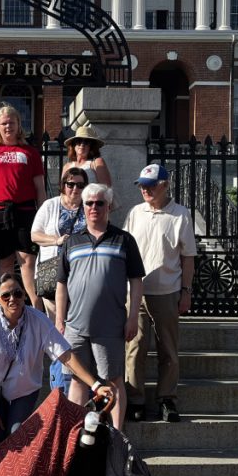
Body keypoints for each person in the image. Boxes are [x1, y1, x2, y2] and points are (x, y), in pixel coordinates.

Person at [0, 273, 115, 451]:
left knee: (17, 438)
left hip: (24, 390)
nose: (12, 299)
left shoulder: (38, 320)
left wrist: (95, 385)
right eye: (6, 295)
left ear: (24, 294)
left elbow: (66, 356)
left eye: (17, 293)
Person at [55, 183, 145, 430]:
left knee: (114, 379)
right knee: (77, 379)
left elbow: (136, 282)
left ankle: (117, 434)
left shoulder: (124, 240)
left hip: (110, 326)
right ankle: (75, 432)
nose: (94, 207)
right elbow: (61, 283)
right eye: (89, 203)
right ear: (83, 207)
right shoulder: (72, 242)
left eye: (99, 203)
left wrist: (132, 317)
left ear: (108, 206)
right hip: (75, 325)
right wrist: (59, 320)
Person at [124, 163, 197, 423]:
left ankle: (167, 399)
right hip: (137, 292)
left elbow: (188, 257)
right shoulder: (135, 213)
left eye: (151, 185)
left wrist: (186, 291)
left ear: (165, 185)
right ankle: (135, 399)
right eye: (142, 185)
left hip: (168, 290)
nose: (145, 190)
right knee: (135, 347)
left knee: (168, 349)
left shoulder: (181, 215)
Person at [0, 105, 47, 308]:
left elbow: (40, 188)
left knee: (27, 261)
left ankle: (36, 308)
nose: (8, 126)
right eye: (4, 123)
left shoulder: (30, 152)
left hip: (25, 213)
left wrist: (42, 216)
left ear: (18, 125)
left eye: (12, 122)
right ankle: (3, 305)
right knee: (5, 262)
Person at [30, 167, 89, 321]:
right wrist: (56, 241)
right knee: (55, 320)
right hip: (53, 269)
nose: (75, 188)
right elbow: (34, 235)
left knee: (77, 320)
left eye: (80, 185)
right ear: (63, 185)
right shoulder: (50, 205)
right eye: (71, 184)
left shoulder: (90, 206)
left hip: (82, 270)